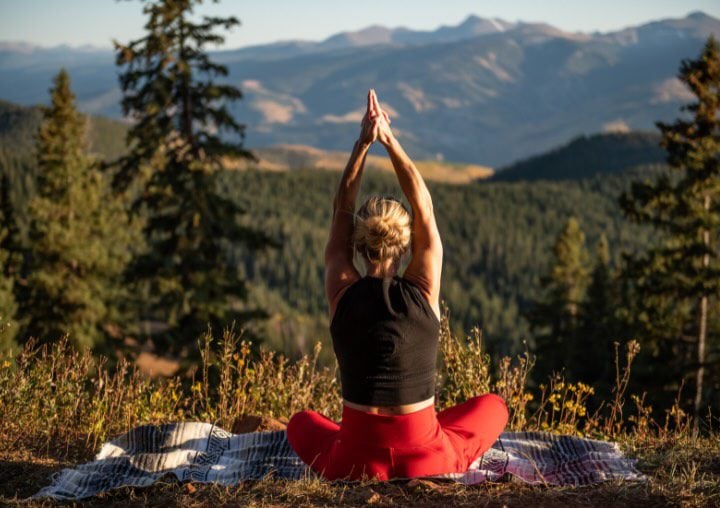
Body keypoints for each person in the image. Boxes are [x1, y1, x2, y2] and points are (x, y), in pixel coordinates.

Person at [286, 89, 508, 481]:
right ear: (405, 244)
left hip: (353, 461)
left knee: (300, 422)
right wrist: (389, 140)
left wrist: (362, 144)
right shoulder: (423, 292)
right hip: (427, 458)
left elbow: (342, 207)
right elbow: (423, 204)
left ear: (358, 244)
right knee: (494, 406)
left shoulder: (341, 291)